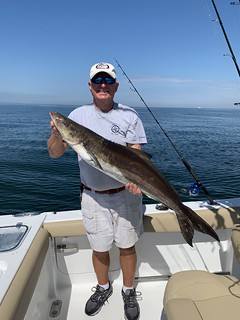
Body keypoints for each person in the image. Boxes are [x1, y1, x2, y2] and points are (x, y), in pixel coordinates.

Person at [48, 62, 147, 320]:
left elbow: (136, 153)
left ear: (115, 86)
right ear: (90, 86)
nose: (103, 84)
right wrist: (59, 134)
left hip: (125, 196)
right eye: (97, 80)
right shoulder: (77, 117)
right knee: (99, 248)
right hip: (93, 196)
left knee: (127, 246)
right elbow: (55, 153)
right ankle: (103, 288)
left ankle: (127, 291)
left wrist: (135, 179)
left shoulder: (129, 115)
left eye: (108, 80)